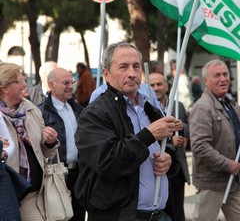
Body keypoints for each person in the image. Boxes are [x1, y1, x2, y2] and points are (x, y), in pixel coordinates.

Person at [74, 41, 177, 221]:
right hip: (121, 216)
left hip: (159, 215)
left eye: (136, 66)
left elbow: (164, 148)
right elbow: (108, 162)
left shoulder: (149, 108)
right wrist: (148, 134)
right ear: (106, 74)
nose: (131, 73)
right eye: (123, 67)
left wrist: (167, 158)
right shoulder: (95, 113)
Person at [0, 62, 59, 221]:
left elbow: (45, 152)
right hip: (7, 193)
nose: (25, 84)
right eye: (19, 81)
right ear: (5, 88)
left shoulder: (31, 109)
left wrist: (50, 142)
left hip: (32, 193)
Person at [189, 59, 240, 221]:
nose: (223, 79)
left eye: (225, 74)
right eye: (217, 75)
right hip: (212, 183)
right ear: (206, 81)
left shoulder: (230, 102)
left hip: (232, 180)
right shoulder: (203, 107)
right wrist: (227, 164)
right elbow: (199, 146)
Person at [38, 67, 85, 221]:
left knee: (78, 216)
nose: (71, 86)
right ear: (51, 86)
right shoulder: (41, 112)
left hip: (79, 174)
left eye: (72, 82)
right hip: (56, 174)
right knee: (59, 216)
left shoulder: (78, 110)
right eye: (66, 83)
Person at [149, 72, 190, 221]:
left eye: (159, 84)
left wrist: (182, 127)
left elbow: (189, 127)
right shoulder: (147, 107)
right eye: (152, 85)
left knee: (178, 211)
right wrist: (171, 140)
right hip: (157, 168)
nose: (156, 88)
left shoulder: (178, 105)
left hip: (177, 169)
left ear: (166, 86)